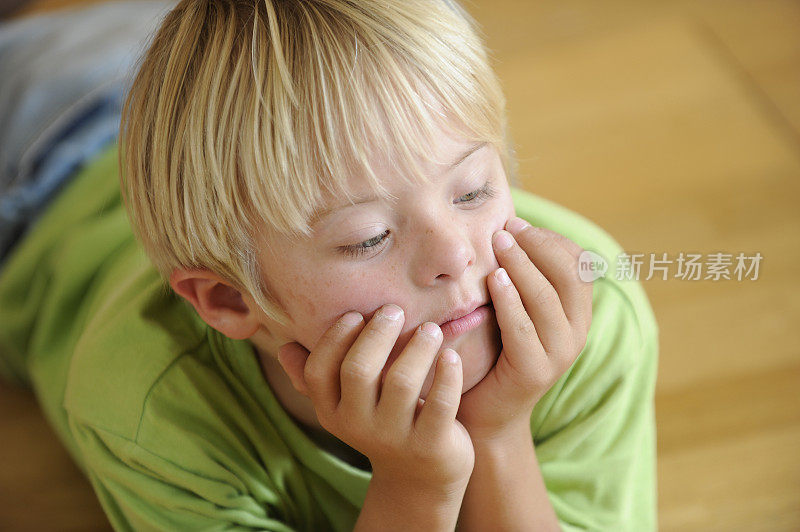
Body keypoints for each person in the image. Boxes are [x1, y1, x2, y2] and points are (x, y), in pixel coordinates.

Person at [0, 1, 660, 530]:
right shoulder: (146, 404)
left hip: (222, 75)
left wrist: (498, 433)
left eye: (472, 191)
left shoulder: (591, 308)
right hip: (39, 151)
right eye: (368, 238)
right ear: (230, 302)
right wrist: (414, 486)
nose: (457, 255)